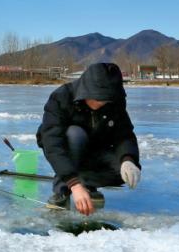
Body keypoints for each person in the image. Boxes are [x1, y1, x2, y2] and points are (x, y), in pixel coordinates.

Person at [36, 62, 141, 215]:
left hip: (96, 147)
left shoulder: (114, 102)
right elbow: (52, 143)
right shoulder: (62, 97)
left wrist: (128, 159)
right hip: (69, 145)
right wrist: (74, 184)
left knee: (123, 171)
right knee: (75, 135)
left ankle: (88, 184)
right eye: (97, 98)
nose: (100, 104)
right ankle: (62, 190)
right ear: (86, 90)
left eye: (105, 100)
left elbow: (124, 134)